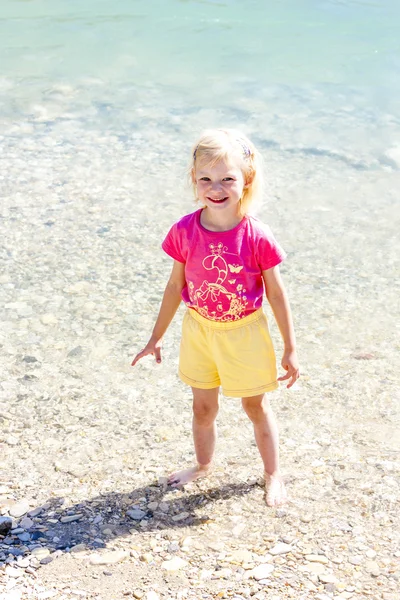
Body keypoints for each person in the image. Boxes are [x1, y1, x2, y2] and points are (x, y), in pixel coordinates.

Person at [132, 128, 299, 506]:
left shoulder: (256, 235)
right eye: (206, 178)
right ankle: (203, 465)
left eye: (227, 178)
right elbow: (175, 287)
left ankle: (272, 473)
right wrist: (155, 337)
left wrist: (290, 348)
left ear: (246, 180)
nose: (216, 187)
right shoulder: (185, 231)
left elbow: (276, 293)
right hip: (199, 331)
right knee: (203, 407)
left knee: (255, 406)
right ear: (194, 180)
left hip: (245, 333)